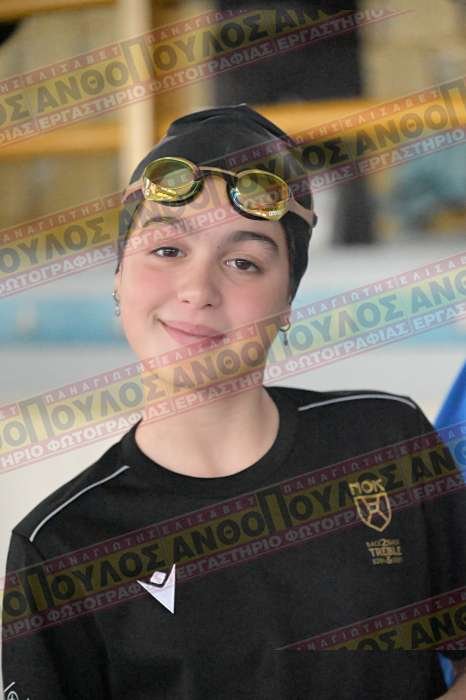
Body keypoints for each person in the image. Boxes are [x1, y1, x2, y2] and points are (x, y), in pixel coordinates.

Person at [2, 104, 466, 699]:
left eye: (243, 262)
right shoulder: (63, 545)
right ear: (118, 276)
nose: (198, 290)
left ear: (288, 298)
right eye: (167, 250)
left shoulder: (384, 440)